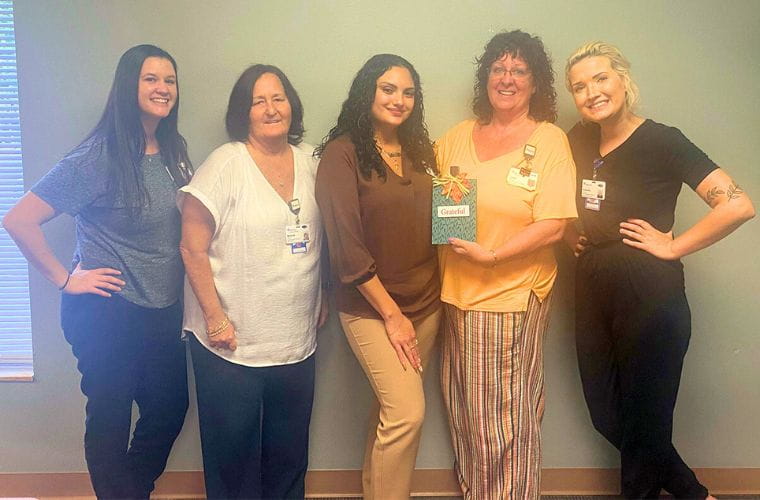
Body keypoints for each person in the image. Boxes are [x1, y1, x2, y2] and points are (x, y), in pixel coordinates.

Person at [564, 41, 755, 500]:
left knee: (646, 419)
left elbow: (738, 205)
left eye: (600, 79)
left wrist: (674, 246)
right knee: (608, 415)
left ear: (623, 80)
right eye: (579, 86)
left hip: (649, 291)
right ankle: (694, 494)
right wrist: (571, 233)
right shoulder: (577, 139)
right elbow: (556, 195)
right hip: (591, 285)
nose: (591, 93)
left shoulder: (663, 140)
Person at [2, 44, 191, 498]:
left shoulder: (173, 149)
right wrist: (66, 280)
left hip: (162, 310)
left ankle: (128, 491)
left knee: (170, 407)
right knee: (110, 415)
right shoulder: (99, 155)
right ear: (129, 85)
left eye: (169, 79)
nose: (162, 88)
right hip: (108, 312)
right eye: (150, 78)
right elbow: (18, 219)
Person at [435, 30, 577, 499]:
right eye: (498, 68)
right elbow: (424, 195)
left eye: (519, 70)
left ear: (535, 83)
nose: (507, 78)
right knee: (466, 417)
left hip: (509, 298)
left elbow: (554, 224)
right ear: (486, 77)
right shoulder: (456, 138)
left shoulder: (549, 140)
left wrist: (493, 256)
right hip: (455, 296)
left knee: (505, 424)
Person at [179, 64, 325, 499]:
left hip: (295, 342)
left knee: (288, 458)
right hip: (231, 344)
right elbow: (191, 247)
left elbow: (331, 234)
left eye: (278, 98)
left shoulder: (312, 161)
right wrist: (216, 319)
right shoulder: (226, 164)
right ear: (243, 112)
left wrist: (325, 294)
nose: (270, 108)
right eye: (258, 100)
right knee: (233, 462)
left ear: (292, 105)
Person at [315, 53, 440, 500]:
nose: (399, 100)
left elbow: (440, 223)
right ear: (367, 92)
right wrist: (391, 314)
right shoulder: (341, 153)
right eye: (388, 89)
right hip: (372, 308)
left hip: (427, 304)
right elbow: (347, 250)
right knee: (407, 414)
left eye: (408, 92)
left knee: (390, 413)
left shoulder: (422, 153)